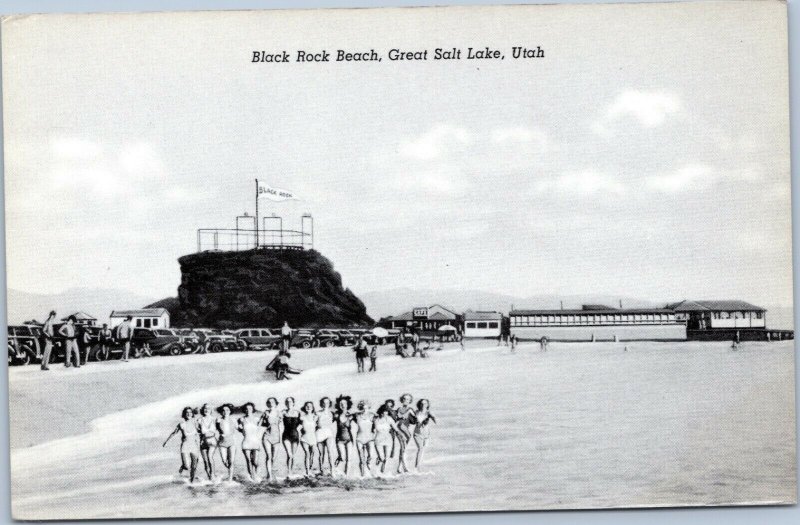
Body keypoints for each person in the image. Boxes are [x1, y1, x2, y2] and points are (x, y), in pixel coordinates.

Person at [163, 407, 201, 483]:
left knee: (194, 466)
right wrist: (166, 441)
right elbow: (174, 433)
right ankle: (183, 466)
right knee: (187, 466)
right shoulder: (181, 424)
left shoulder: (195, 422)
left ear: (192, 413)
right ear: (184, 414)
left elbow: (201, 430)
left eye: (190, 412)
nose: (188, 413)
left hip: (194, 446)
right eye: (187, 412)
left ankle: (192, 482)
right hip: (185, 446)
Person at [238, 402, 262, 481]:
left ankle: (257, 474)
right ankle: (252, 477)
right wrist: (241, 429)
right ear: (244, 410)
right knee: (248, 460)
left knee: (255, 461)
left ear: (253, 409)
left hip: (255, 442)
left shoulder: (257, 419)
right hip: (246, 442)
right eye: (246, 409)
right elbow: (239, 429)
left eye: (250, 408)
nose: (248, 410)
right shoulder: (241, 419)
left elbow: (264, 427)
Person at [373, 404, 400, 475]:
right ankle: (379, 458)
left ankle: (382, 473)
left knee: (386, 458)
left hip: (388, 439)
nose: (386, 413)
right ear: (381, 412)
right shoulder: (376, 419)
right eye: (384, 412)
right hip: (378, 439)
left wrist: (400, 435)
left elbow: (395, 428)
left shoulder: (389, 419)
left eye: (387, 412)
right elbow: (371, 428)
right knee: (382, 458)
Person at [260, 397, 282, 481]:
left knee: (273, 458)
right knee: (268, 456)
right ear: (267, 404)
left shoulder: (279, 413)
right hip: (267, 436)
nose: (271, 403)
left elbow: (279, 424)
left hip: (276, 436)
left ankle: (270, 471)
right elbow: (260, 425)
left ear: (276, 403)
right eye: (269, 402)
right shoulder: (265, 413)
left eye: (273, 402)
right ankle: (269, 475)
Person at [411, 399, 437, 471]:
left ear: (427, 405)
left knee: (424, 448)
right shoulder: (416, 412)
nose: (423, 405)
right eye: (422, 403)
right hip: (417, 433)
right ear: (419, 404)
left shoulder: (428, 413)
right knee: (420, 448)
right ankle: (417, 466)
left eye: (425, 403)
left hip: (426, 434)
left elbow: (435, 419)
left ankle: (420, 463)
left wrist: (433, 419)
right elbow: (411, 419)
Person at [334, 395, 355, 477]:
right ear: (338, 405)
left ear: (347, 404)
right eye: (341, 403)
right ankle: (338, 458)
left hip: (349, 439)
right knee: (342, 457)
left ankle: (347, 475)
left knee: (349, 459)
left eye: (344, 403)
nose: (342, 405)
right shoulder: (336, 415)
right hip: (339, 440)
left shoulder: (351, 415)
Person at [354, 400, 376, 478]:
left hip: (369, 437)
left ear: (368, 407)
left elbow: (376, 425)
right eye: (363, 407)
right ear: (361, 407)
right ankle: (362, 475)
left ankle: (368, 464)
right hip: (359, 438)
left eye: (366, 407)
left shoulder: (372, 415)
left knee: (371, 455)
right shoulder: (357, 415)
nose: (365, 409)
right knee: (361, 458)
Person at [395, 393, 415, 474]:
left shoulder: (410, 409)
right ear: (402, 400)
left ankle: (399, 467)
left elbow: (415, 420)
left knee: (403, 449)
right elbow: (397, 418)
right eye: (404, 399)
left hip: (407, 429)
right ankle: (405, 467)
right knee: (403, 448)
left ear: (410, 401)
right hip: (400, 428)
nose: (405, 401)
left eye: (407, 399)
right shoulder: (399, 409)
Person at [316, 397, 337, 476]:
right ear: (321, 404)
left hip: (328, 433)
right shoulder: (317, 413)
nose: (325, 404)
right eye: (324, 403)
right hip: (319, 433)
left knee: (330, 452)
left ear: (329, 404)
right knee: (321, 454)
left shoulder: (332, 413)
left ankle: (332, 471)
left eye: (327, 403)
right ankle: (322, 471)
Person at [197, 404, 218, 481]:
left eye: (208, 408)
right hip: (203, 442)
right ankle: (209, 477)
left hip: (212, 441)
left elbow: (222, 428)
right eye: (205, 408)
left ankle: (213, 475)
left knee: (210, 457)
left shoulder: (215, 419)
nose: (206, 410)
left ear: (211, 410)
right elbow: (197, 432)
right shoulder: (199, 420)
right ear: (203, 410)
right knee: (205, 461)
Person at [216, 404, 236, 482]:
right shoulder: (219, 419)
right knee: (224, 461)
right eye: (223, 410)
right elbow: (217, 427)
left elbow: (239, 428)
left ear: (230, 411)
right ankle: (230, 473)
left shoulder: (233, 420)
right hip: (222, 443)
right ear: (221, 412)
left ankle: (230, 480)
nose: (225, 412)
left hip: (231, 442)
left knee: (231, 461)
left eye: (227, 410)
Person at [282, 397, 301, 476]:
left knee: (292, 456)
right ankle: (289, 472)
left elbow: (303, 422)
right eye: (287, 402)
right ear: (286, 404)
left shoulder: (298, 413)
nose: (289, 403)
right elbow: (275, 419)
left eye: (290, 402)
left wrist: (299, 428)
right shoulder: (283, 412)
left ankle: (291, 472)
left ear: (293, 403)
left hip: (295, 436)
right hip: (286, 435)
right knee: (289, 454)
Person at [299, 401, 319, 477]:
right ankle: (307, 472)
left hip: (313, 437)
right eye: (307, 406)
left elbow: (318, 427)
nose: (308, 407)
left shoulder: (315, 417)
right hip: (304, 438)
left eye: (310, 406)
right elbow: (299, 427)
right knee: (307, 453)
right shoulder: (302, 417)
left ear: (313, 408)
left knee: (312, 454)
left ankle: (309, 469)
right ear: (304, 408)